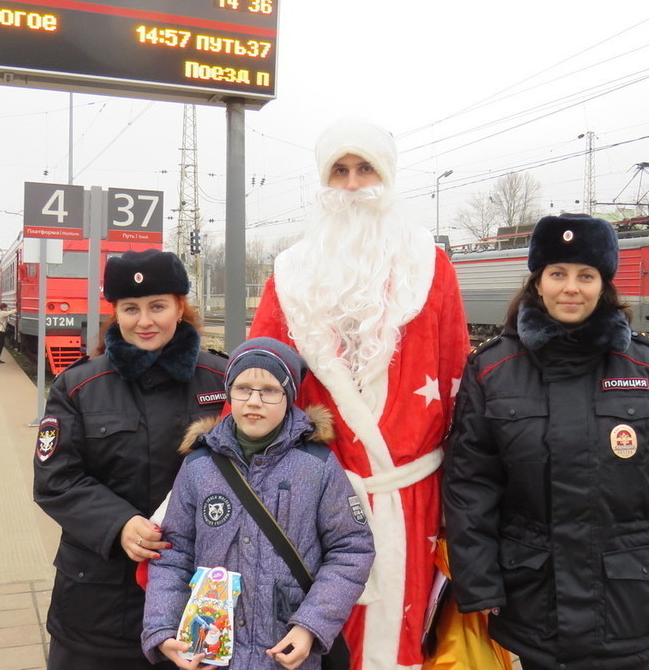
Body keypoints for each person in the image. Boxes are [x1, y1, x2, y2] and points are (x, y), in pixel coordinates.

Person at [441, 214, 649, 670]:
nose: (571, 288)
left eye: (585, 275)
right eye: (557, 274)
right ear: (537, 283)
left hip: (629, 589)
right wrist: (481, 583)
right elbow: (471, 484)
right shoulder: (492, 369)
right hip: (533, 590)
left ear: (604, 284)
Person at [249, 119, 470, 670]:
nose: (351, 185)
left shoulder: (431, 267)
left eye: (364, 168)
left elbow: (460, 377)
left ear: (386, 177)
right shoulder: (291, 274)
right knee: (320, 637)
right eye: (339, 171)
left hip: (413, 496)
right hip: (319, 498)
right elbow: (256, 380)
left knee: (404, 635)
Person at [34, 249, 230, 670]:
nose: (145, 321)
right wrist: (118, 524)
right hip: (98, 603)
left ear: (180, 307)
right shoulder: (78, 386)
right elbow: (55, 479)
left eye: (158, 306)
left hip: (197, 598)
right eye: (131, 308)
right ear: (115, 312)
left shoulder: (224, 381)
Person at [142, 337, 375, 670]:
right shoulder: (199, 467)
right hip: (210, 654)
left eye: (269, 390)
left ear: (289, 397)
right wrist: (162, 629)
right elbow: (173, 553)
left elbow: (351, 550)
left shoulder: (317, 466)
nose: (254, 401)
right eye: (243, 388)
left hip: (285, 652)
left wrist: (311, 626)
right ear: (229, 392)